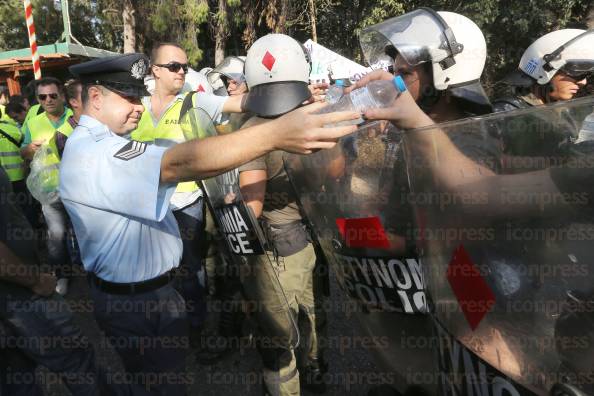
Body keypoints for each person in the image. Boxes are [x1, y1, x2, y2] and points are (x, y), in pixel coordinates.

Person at [60, 53, 358, 395]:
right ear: (95, 97)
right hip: (136, 303)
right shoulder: (94, 153)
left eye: (137, 97)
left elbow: (230, 104)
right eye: (127, 98)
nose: (138, 107)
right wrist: (275, 133)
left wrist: (288, 96)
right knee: (161, 386)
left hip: (154, 292)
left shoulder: (107, 142)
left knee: (168, 378)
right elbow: (177, 163)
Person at [130, 42, 247, 335]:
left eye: (184, 66)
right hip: (144, 205)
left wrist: (290, 92)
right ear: (155, 70)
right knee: (153, 266)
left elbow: (240, 104)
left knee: (189, 268)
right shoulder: (135, 107)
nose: (182, 71)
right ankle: (163, 321)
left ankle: (195, 325)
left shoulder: (192, 101)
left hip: (185, 204)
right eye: (174, 66)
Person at [238, 33, 328, 396]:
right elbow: (334, 175)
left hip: (279, 252)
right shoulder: (315, 119)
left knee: (279, 336)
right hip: (314, 240)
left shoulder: (253, 133)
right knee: (312, 314)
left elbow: (251, 208)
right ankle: (317, 373)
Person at [0, 167, 123, 396]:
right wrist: (35, 281)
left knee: (16, 380)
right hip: (20, 297)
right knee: (77, 363)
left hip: (17, 294)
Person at [20, 77, 75, 295]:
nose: (48, 100)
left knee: (86, 234)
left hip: (79, 188)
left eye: (53, 95)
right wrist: (29, 149)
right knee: (56, 237)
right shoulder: (33, 123)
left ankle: (94, 275)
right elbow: (22, 152)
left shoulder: (76, 116)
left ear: (62, 95)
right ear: (37, 99)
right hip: (50, 192)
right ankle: (62, 275)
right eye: (42, 97)